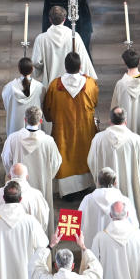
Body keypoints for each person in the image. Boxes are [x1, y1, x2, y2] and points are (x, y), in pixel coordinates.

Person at [44, 52, 99, 196]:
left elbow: (48, 112)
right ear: (80, 66)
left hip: (63, 132)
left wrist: (53, 118)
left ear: (65, 67)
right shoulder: (90, 83)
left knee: (65, 155)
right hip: (84, 130)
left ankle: (67, 192)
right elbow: (95, 102)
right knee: (83, 154)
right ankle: (85, 187)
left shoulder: (55, 85)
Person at [86, 108, 140, 231]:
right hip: (129, 188)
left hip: (104, 191)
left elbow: (91, 161)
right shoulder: (135, 139)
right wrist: (134, 179)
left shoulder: (98, 139)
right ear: (125, 121)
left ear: (110, 121)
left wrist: (99, 178)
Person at [32, 7, 97, 84]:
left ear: (50, 19)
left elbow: (36, 63)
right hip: (71, 86)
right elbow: (83, 61)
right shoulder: (74, 36)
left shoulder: (41, 39)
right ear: (64, 19)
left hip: (50, 87)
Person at [110, 49, 140, 145]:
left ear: (125, 63)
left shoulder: (121, 84)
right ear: (139, 62)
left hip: (125, 124)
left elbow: (115, 108)